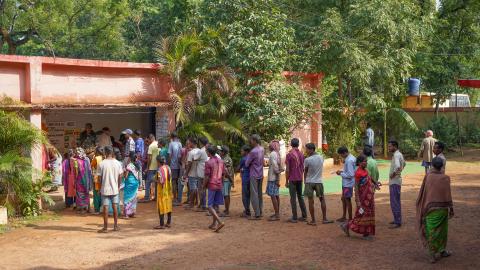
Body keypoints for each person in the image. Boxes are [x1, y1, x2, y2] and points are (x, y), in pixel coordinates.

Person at [416, 157, 454, 263]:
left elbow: (424, 192)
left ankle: (432, 255)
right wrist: (451, 208)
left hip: (430, 209)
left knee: (431, 231)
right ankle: (442, 250)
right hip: (443, 209)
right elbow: (448, 195)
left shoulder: (428, 177)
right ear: (442, 166)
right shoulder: (446, 178)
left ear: (432, 165)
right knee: (442, 231)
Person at [340, 155, 376, 240]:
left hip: (369, 198)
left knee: (369, 214)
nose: (366, 163)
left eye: (366, 161)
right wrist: (357, 200)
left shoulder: (365, 170)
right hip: (363, 198)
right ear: (359, 163)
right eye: (364, 161)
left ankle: (366, 233)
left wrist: (375, 183)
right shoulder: (358, 173)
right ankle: (347, 226)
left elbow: (370, 178)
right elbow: (356, 187)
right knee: (361, 215)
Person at [304, 143, 332, 225]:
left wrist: (305, 181)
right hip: (319, 181)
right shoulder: (321, 157)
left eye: (307, 149)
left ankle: (313, 221)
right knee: (322, 199)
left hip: (309, 181)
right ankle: (324, 219)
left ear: (311, 149)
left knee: (310, 201)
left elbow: (305, 171)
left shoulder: (307, 160)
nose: (306, 151)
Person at [97, 146, 123, 233]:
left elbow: (99, 178)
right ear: (112, 153)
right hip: (115, 188)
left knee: (105, 208)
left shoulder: (101, 164)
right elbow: (120, 176)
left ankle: (105, 227)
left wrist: (100, 187)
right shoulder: (118, 163)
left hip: (105, 189)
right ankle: (115, 226)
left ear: (105, 152)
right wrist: (118, 186)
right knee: (115, 207)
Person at [204, 145, 226, 232]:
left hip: (212, 184)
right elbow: (224, 173)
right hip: (219, 184)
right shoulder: (221, 161)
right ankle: (214, 224)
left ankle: (219, 222)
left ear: (209, 153)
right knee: (215, 205)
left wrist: (203, 186)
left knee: (209, 206)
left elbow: (207, 176)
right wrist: (222, 182)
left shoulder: (208, 162)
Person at [285, 138, 307, 223]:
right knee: (300, 196)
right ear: (298, 144)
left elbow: (287, 170)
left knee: (293, 198)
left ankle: (294, 217)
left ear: (291, 144)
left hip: (292, 178)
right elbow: (303, 167)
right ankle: (304, 215)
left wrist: (286, 181)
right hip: (299, 178)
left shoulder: (289, 155)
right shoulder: (301, 154)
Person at [245, 134, 265, 220]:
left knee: (254, 194)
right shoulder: (262, 149)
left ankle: (257, 214)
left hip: (253, 174)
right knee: (259, 194)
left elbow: (246, 164)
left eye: (251, 140)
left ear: (254, 141)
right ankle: (260, 211)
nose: (250, 141)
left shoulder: (253, 151)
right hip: (260, 173)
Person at [388, 140, 405, 229]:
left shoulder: (396, 155)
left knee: (394, 201)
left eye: (390, 146)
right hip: (397, 180)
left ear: (395, 146)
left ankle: (397, 221)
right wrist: (399, 172)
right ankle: (396, 219)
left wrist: (393, 174)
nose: (389, 148)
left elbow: (398, 166)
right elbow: (404, 164)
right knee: (395, 201)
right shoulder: (399, 154)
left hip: (395, 181)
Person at [336, 147, 356, 222]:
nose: (341, 157)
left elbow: (350, 174)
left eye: (341, 155)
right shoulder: (350, 158)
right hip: (347, 184)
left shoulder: (349, 160)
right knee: (344, 199)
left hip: (348, 184)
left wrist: (341, 173)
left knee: (347, 200)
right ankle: (344, 216)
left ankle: (350, 218)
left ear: (344, 153)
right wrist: (342, 171)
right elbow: (349, 171)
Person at [154, 156, 173, 229]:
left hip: (162, 191)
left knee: (160, 207)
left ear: (158, 162)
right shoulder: (168, 168)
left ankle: (161, 224)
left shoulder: (159, 170)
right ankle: (168, 222)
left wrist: (155, 180)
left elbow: (161, 181)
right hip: (168, 190)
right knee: (168, 205)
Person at [141, 134, 159, 203]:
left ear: (150, 139)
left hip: (151, 167)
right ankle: (156, 197)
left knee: (148, 182)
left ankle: (147, 197)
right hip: (157, 166)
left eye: (147, 140)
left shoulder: (151, 146)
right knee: (156, 182)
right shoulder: (158, 144)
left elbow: (149, 158)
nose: (147, 141)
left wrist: (147, 167)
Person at [267, 140, 282, 221]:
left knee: (273, 196)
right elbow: (279, 167)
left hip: (273, 178)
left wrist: (277, 178)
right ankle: (277, 213)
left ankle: (277, 215)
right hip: (276, 177)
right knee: (276, 195)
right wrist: (278, 178)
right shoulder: (277, 153)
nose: (269, 146)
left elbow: (276, 167)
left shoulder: (273, 154)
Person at [74, 147, 93, 214]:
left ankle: (82, 209)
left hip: (79, 180)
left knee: (80, 194)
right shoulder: (87, 159)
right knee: (86, 193)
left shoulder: (76, 161)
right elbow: (90, 170)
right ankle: (88, 208)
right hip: (87, 180)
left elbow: (76, 172)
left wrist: (74, 180)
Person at [184, 138, 201, 209]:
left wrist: (186, 173)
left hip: (192, 173)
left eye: (189, 143)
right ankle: (197, 202)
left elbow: (189, 164)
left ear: (192, 143)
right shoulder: (200, 151)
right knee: (196, 189)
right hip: (199, 173)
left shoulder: (191, 153)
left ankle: (191, 204)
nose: (188, 144)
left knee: (192, 189)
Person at [123, 152, 141, 218]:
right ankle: (132, 213)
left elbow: (126, 176)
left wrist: (124, 172)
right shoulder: (137, 165)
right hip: (135, 183)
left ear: (130, 158)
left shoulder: (129, 165)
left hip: (129, 183)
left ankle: (126, 214)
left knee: (127, 198)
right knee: (134, 197)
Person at [168, 132, 183, 205]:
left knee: (174, 182)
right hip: (179, 165)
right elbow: (180, 155)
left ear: (172, 137)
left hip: (173, 165)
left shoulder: (171, 144)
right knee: (178, 181)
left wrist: (170, 163)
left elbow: (170, 155)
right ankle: (178, 198)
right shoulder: (180, 144)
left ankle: (175, 198)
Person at [220, 145, 234, 217]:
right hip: (226, 179)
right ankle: (226, 209)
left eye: (220, 151)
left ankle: (227, 211)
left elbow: (226, 172)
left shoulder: (226, 160)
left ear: (223, 152)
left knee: (226, 195)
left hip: (226, 180)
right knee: (226, 195)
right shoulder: (225, 158)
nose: (219, 152)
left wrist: (231, 180)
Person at [237, 145, 251, 218]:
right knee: (249, 195)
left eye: (242, 151)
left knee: (244, 196)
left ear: (246, 152)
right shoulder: (251, 158)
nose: (241, 152)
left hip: (245, 179)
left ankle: (247, 211)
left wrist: (239, 169)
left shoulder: (243, 159)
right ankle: (247, 210)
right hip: (251, 179)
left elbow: (238, 168)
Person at [196, 137, 209, 211]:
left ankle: (203, 205)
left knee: (201, 189)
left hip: (201, 173)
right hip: (207, 172)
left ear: (201, 142)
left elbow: (194, 158)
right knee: (206, 189)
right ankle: (204, 204)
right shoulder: (208, 149)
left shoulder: (201, 151)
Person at [91, 146, 105, 214]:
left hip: (96, 178)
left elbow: (92, 166)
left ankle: (97, 209)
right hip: (103, 177)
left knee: (96, 194)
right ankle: (102, 208)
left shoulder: (95, 158)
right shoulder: (104, 158)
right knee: (102, 193)